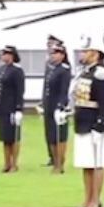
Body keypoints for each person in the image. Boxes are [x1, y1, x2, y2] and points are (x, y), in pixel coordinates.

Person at [70, 35, 104, 207]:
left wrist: (100, 122)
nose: (83, 54)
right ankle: (87, 198)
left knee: (97, 163)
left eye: (86, 51)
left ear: (96, 54)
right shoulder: (85, 71)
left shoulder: (102, 72)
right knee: (86, 163)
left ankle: (95, 199)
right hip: (82, 120)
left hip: (96, 121)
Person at [0, 45, 26, 173]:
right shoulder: (2, 69)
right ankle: (6, 163)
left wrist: (19, 109)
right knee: (5, 137)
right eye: (3, 54)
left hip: (12, 106)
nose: (3, 56)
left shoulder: (17, 70)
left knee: (14, 137)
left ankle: (14, 163)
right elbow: (0, 89)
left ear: (12, 56)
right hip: (2, 106)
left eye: (6, 54)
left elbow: (20, 90)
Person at [45, 42, 72, 174]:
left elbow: (64, 90)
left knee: (60, 136)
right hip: (49, 105)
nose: (53, 56)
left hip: (59, 105)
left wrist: (61, 106)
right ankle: (54, 161)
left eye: (56, 53)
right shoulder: (52, 69)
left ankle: (60, 164)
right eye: (53, 53)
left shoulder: (65, 69)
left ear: (62, 55)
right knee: (51, 135)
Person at [40, 34, 63, 168]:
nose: (49, 47)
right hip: (48, 101)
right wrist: (42, 100)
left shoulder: (62, 64)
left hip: (56, 102)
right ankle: (51, 156)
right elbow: (46, 83)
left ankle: (58, 158)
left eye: (51, 44)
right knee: (48, 131)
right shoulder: (48, 62)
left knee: (56, 132)